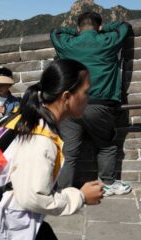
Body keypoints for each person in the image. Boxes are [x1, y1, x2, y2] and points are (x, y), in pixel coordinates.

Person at [0, 59, 103, 239]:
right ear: (67, 97)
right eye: (85, 92)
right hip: (10, 227)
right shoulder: (40, 140)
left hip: (10, 216)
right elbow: (33, 198)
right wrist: (81, 196)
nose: (88, 97)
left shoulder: (32, 119)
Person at [50, 11, 132, 195]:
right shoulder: (108, 40)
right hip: (99, 105)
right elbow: (124, 26)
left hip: (69, 106)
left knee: (69, 151)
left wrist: (77, 32)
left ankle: (63, 190)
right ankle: (108, 183)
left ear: (79, 27)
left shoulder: (68, 44)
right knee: (106, 145)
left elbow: (55, 32)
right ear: (99, 26)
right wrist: (102, 30)